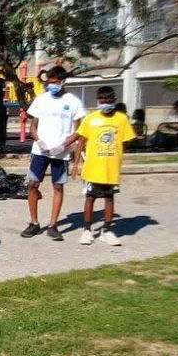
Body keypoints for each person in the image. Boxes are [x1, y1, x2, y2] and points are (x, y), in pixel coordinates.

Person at [21, 66, 86, 241]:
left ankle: (53, 225)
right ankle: (34, 223)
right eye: (50, 83)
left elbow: (79, 131)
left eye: (55, 83)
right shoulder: (41, 100)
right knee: (33, 185)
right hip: (40, 151)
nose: (52, 86)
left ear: (63, 82)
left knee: (58, 186)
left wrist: (65, 145)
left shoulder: (73, 102)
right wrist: (39, 141)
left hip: (60, 153)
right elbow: (33, 127)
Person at [66, 87, 136, 246]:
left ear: (114, 100)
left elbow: (127, 140)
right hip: (93, 168)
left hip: (112, 168)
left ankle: (107, 230)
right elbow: (81, 142)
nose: (105, 104)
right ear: (98, 101)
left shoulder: (121, 119)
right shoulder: (90, 119)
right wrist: (76, 164)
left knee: (109, 198)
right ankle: (87, 230)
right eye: (102, 101)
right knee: (90, 198)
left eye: (108, 100)